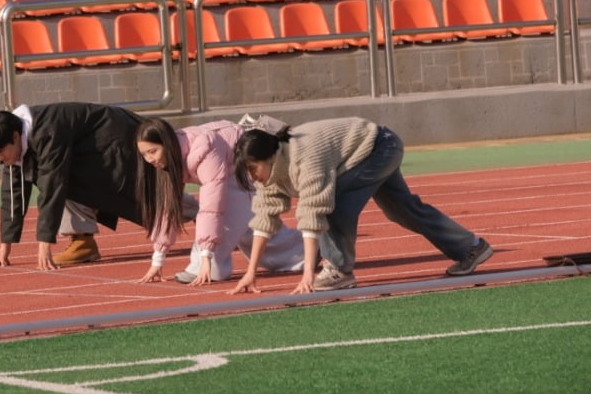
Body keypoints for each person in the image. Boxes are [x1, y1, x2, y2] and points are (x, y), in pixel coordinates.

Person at [229, 115, 493, 295]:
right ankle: (470, 247)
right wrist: (251, 273)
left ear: (270, 155)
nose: (253, 177)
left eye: (253, 169)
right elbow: (264, 219)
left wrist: (308, 274)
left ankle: (339, 270)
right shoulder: (270, 174)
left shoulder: (304, 158)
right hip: (366, 150)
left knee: (333, 204)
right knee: (402, 210)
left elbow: (312, 214)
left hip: (380, 146)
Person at [134, 117, 304, 285]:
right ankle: (303, 251)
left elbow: (211, 205)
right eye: (144, 154)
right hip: (230, 170)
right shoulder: (169, 159)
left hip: (245, 168)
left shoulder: (202, 149)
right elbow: (168, 208)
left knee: (228, 219)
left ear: (167, 144)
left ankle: (209, 267)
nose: (149, 159)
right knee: (251, 228)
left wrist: (206, 256)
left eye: (153, 151)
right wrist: (157, 260)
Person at [0, 102, 144, 270]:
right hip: (94, 153)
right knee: (67, 179)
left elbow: (52, 185)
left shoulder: (46, 132)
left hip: (120, 139)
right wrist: (5, 245)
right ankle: (82, 241)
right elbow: (12, 195)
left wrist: (44, 244)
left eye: (0, 152)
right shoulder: (15, 141)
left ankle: (161, 219)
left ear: (14, 137)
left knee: (154, 204)